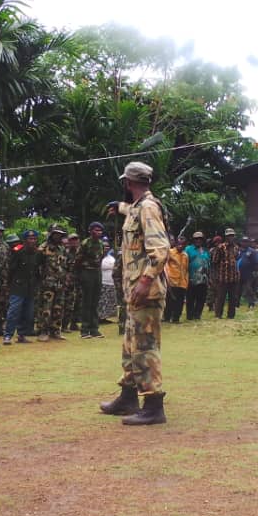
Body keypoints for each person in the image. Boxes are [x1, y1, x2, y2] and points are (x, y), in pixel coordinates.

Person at [98, 161, 170, 425]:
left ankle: (153, 405)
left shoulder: (149, 208)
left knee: (145, 347)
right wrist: (118, 207)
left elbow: (161, 251)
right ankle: (128, 397)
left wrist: (144, 282)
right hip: (135, 292)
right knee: (130, 346)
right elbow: (132, 211)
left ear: (128, 183)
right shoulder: (138, 207)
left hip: (146, 292)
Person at [4, 230, 41, 344]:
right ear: (24, 240)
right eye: (30, 239)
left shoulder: (38, 253)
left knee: (28, 313)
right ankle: (8, 336)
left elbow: (38, 270)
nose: (32, 241)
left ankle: (22, 335)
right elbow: (11, 269)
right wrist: (9, 284)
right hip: (18, 286)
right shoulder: (18, 252)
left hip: (30, 287)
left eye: (34, 239)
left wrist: (37, 284)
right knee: (14, 311)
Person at [35, 224, 68, 342]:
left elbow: (65, 266)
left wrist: (65, 280)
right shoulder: (43, 248)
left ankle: (55, 331)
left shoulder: (62, 248)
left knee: (58, 308)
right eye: (56, 234)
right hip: (47, 284)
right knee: (45, 309)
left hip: (60, 283)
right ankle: (43, 331)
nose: (58, 236)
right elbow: (36, 266)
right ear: (51, 234)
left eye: (60, 234)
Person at [75, 222, 107, 338]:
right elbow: (78, 260)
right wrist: (79, 275)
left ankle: (94, 329)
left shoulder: (101, 243)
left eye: (100, 231)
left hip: (97, 272)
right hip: (86, 272)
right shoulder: (85, 243)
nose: (98, 233)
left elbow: (101, 257)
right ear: (90, 231)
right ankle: (84, 330)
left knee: (95, 301)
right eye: (96, 230)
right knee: (87, 302)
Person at [211, 229, 240, 318]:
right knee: (221, 297)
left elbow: (236, 259)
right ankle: (218, 315)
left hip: (233, 277)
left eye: (232, 235)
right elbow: (214, 261)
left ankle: (231, 315)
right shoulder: (220, 247)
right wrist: (215, 276)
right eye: (229, 235)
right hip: (222, 277)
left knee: (233, 298)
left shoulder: (236, 247)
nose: (231, 237)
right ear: (226, 237)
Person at [184, 231, 210, 319]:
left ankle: (197, 314)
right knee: (190, 298)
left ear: (203, 240)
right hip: (192, 278)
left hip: (204, 278)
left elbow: (208, 263)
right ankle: (190, 315)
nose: (198, 240)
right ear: (193, 240)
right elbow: (184, 263)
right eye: (196, 239)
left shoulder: (206, 250)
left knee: (201, 298)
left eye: (200, 239)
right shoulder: (188, 249)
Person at [164, 235, 189, 323]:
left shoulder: (185, 255)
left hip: (182, 283)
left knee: (180, 302)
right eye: (179, 244)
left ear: (185, 245)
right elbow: (165, 265)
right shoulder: (170, 252)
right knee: (169, 301)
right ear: (176, 244)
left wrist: (186, 282)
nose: (180, 246)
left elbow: (186, 269)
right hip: (172, 281)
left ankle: (176, 318)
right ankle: (166, 317)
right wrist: (167, 278)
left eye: (183, 244)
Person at [61, 232, 82, 334]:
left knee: (78, 303)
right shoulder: (65, 252)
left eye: (76, 239)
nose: (74, 242)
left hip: (79, 281)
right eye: (72, 240)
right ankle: (64, 325)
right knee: (67, 303)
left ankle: (74, 323)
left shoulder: (80, 252)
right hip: (68, 281)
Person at [238, 237, 258, 310]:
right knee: (238, 289)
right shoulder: (238, 251)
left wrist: (255, 271)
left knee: (248, 288)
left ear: (248, 242)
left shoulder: (252, 251)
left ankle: (251, 303)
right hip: (239, 273)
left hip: (249, 273)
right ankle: (236, 304)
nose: (244, 243)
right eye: (243, 241)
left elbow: (256, 262)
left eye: (246, 241)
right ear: (241, 242)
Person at [99, 245, 117, 322]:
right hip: (102, 282)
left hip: (111, 282)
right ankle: (100, 317)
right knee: (102, 301)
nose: (106, 248)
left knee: (109, 301)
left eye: (107, 247)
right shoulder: (99, 257)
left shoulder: (111, 258)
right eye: (104, 247)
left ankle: (105, 317)